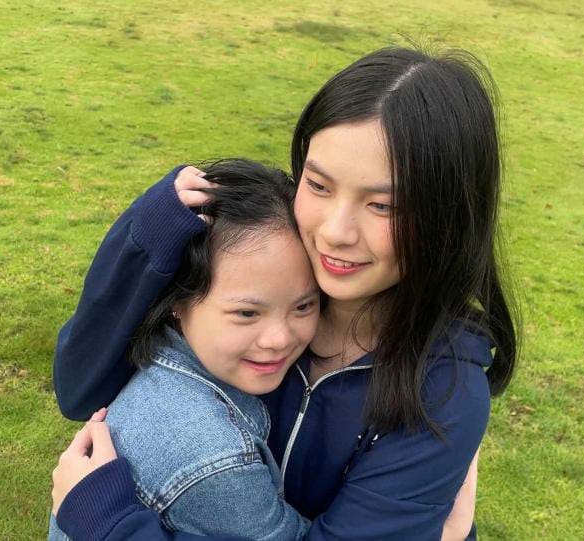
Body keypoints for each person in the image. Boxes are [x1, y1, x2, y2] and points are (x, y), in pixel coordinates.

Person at [51, 46, 517, 540]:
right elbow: (81, 390)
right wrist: (147, 239)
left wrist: (112, 528)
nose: (335, 232)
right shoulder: (257, 270)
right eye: (318, 185)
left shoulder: (441, 393)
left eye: (383, 205)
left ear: (448, 219)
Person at [48, 159, 319, 541]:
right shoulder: (215, 458)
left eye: (304, 306)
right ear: (179, 300)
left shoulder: (159, 352)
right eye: (246, 313)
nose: (279, 338)